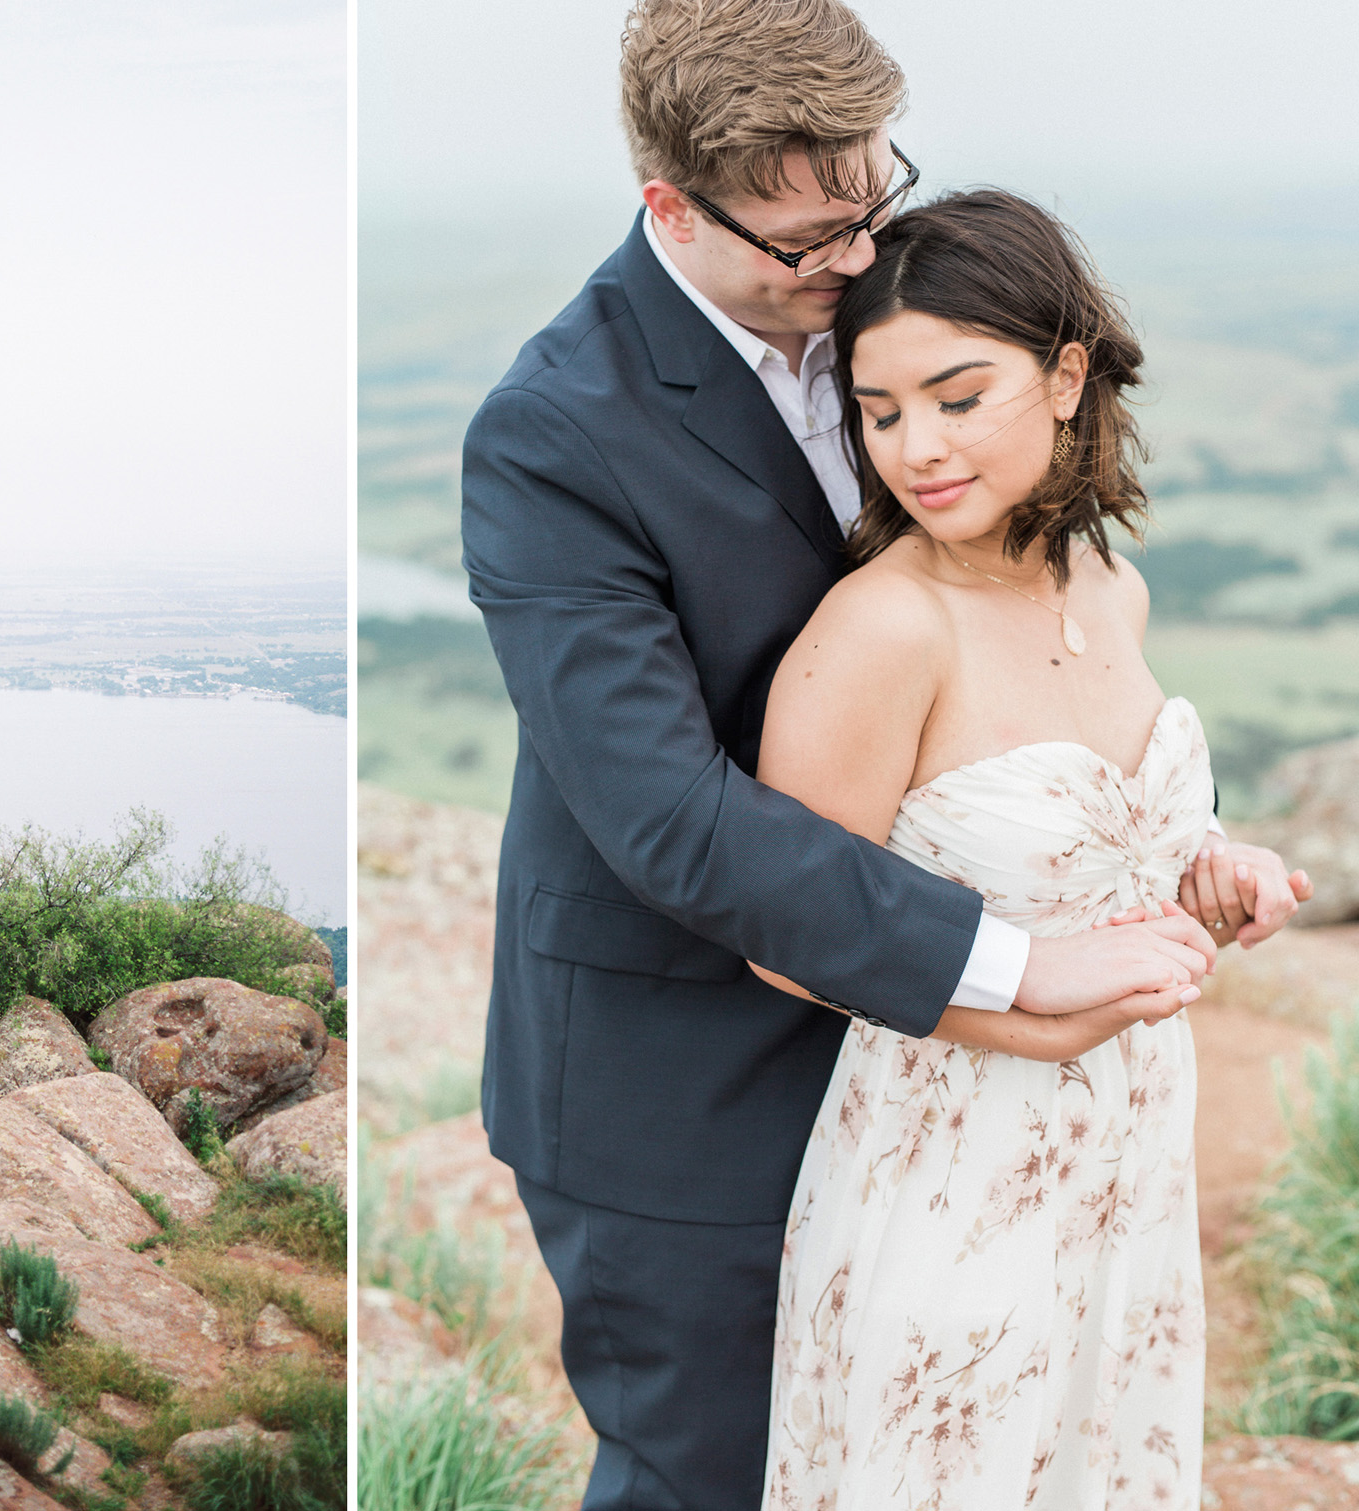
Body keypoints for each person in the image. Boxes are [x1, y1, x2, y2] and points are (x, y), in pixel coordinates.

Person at [457, 2, 1308, 1505]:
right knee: (717, 1479)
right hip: (687, 1086)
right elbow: (666, 818)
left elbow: (1018, 661)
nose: (857, 264)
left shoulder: (895, 318)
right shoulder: (551, 434)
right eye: (810, 243)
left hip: (960, 1114)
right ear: (673, 210)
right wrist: (1009, 967)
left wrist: (1166, 852)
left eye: (876, 206)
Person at [753, 188, 1224, 1508]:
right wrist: (1034, 1027)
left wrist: (1212, 874)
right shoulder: (882, 631)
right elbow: (788, 943)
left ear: (1066, 375)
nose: (917, 447)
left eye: (959, 397)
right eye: (881, 409)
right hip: (952, 1178)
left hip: (1134, 1165)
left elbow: (1099, 856)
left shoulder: (1112, 588)